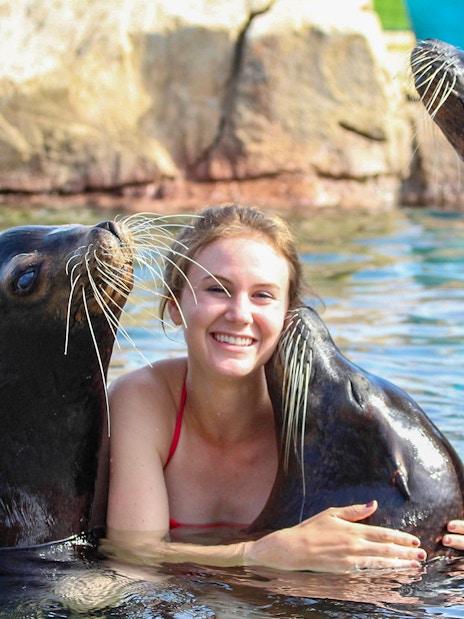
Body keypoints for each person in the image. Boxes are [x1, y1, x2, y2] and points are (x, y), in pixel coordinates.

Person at [105, 204, 464, 573]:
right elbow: (132, 556)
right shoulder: (144, 399)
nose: (239, 314)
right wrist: (258, 554)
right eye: (217, 288)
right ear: (174, 305)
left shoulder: (322, 425)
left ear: (287, 314)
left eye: (262, 295)